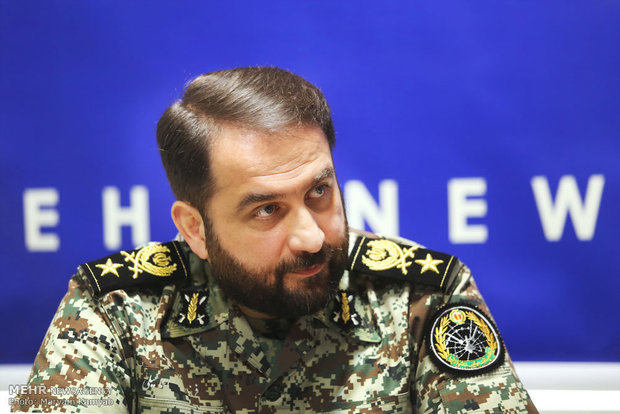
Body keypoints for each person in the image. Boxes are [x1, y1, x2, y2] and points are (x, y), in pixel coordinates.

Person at [13, 67, 537, 413]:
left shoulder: (423, 296)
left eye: (319, 192)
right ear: (195, 228)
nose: (311, 236)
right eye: (267, 210)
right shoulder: (115, 308)